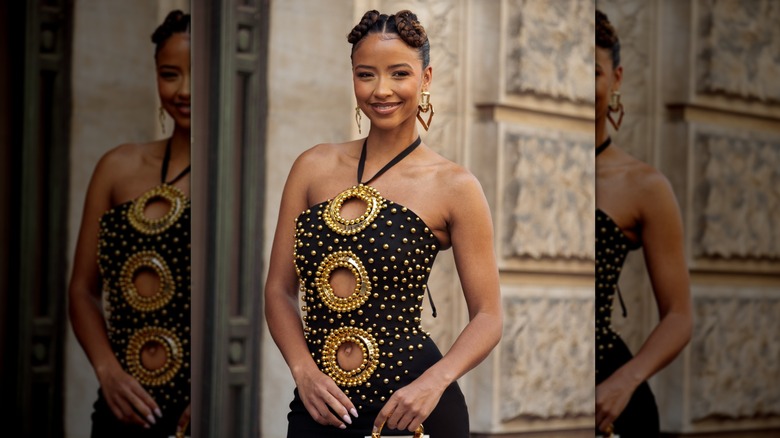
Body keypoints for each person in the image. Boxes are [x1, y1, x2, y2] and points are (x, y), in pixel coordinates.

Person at [264, 9, 502, 438]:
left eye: (399, 74)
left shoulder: (454, 185)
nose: (381, 90)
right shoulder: (312, 167)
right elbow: (279, 290)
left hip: (411, 408)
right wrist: (302, 370)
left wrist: (434, 383)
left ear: (425, 79)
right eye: (366, 75)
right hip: (320, 406)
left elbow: (488, 316)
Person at [68, 10, 191, 438]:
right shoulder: (117, 167)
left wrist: (215, 391)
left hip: (199, 409)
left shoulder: (234, 176)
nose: (185, 90)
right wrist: (107, 371)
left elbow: (254, 298)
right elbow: (83, 290)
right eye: (170, 74)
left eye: (197, 74)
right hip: (123, 404)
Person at [595, 9, 693, 437]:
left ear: (616, 79)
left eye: (592, 71)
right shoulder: (522, 169)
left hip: (610, 403)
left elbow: (679, 315)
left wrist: (626, 381)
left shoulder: (643, 186)